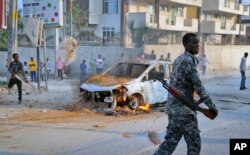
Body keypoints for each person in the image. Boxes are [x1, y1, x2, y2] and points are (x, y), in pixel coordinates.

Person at [154, 33, 218, 155]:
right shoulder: (188, 61)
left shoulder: (179, 59)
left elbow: (182, 85)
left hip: (174, 110)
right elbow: (199, 87)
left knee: (169, 144)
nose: (198, 45)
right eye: (194, 43)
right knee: (194, 144)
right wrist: (211, 106)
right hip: (184, 112)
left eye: (198, 42)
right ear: (187, 45)